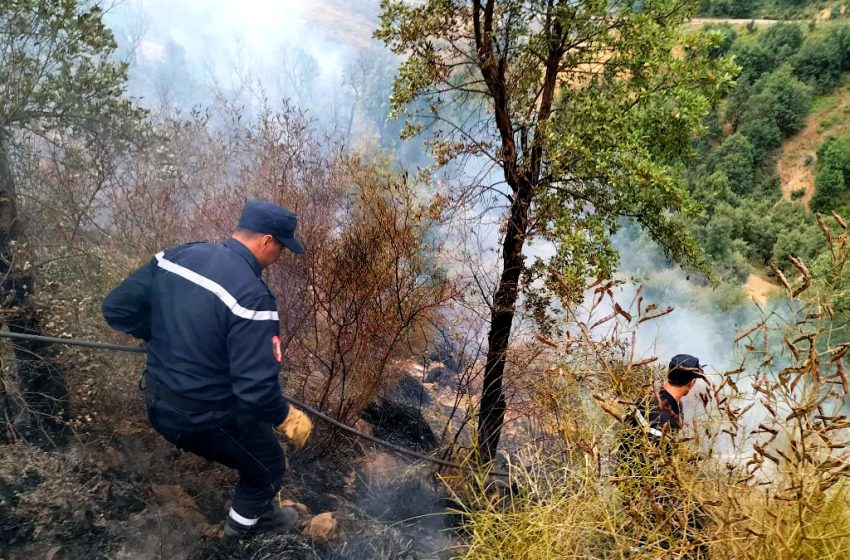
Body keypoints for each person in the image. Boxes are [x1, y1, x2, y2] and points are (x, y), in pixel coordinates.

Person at [102, 200, 313, 540]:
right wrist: (288, 418)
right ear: (266, 241)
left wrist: (160, 337)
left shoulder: (177, 256)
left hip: (157, 400)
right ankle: (238, 535)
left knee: (255, 435)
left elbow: (116, 309)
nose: (280, 257)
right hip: (198, 417)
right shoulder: (253, 297)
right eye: (282, 248)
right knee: (269, 465)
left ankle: (256, 514)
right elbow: (256, 391)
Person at [618, 354, 709, 557]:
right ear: (692, 383)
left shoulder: (649, 399)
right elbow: (653, 464)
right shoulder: (663, 417)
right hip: (646, 491)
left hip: (632, 481)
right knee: (694, 538)